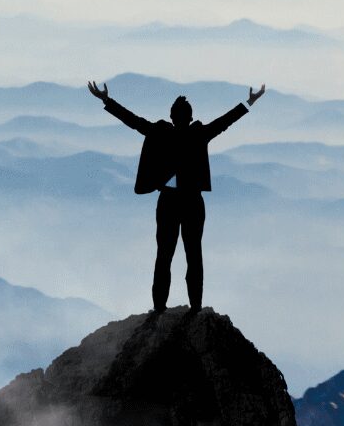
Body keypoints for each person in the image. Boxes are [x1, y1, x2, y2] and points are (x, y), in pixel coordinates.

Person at [88, 79, 266, 312]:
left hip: (169, 201)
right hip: (192, 201)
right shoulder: (198, 134)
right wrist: (249, 101)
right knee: (193, 255)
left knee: (164, 255)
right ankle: (195, 307)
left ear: (172, 117)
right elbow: (225, 122)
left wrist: (106, 100)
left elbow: (132, 121)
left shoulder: (161, 133)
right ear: (189, 117)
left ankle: (160, 308)